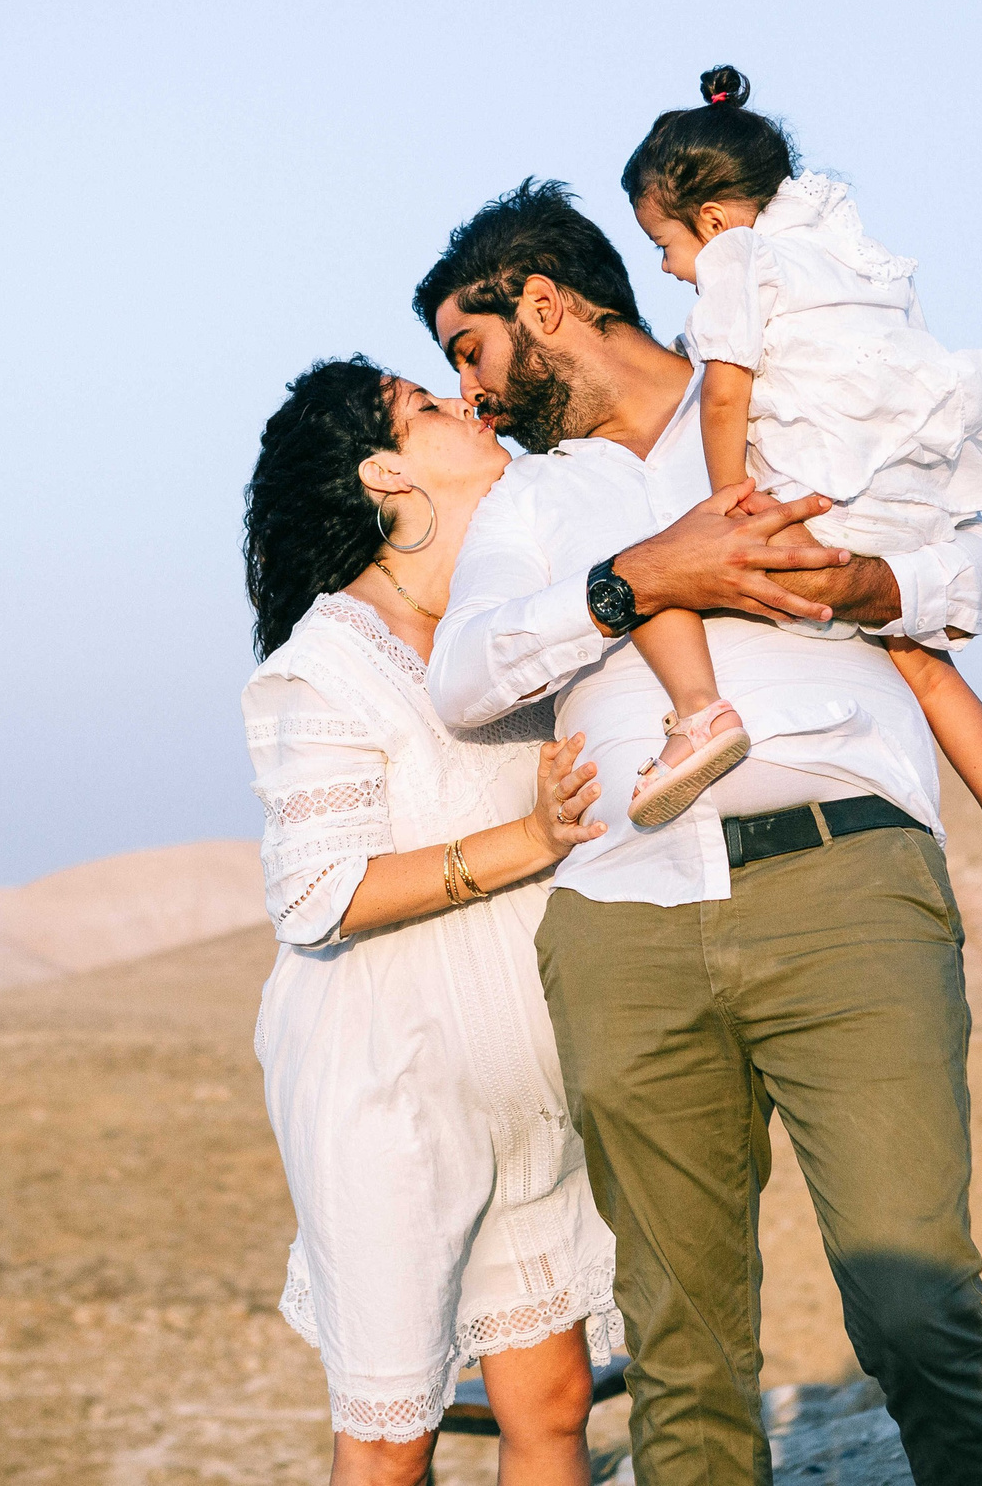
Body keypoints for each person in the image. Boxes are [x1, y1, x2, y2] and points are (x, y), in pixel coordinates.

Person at [417, 182, 982, 1486]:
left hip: (846, 883)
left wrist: (889, 583)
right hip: (625, 928)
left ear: (545, 304)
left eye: (472, 353)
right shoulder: (533, 507)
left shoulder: (785, 396)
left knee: (919, 1309)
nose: (473, 398)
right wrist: (640, 578)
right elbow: (467, 674)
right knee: (683, 1350)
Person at [240, 357, 625, 1486]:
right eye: (429, 405)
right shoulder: (326, 665)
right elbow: (319, 893)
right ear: (383, 473)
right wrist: (530, 843)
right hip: (384, 1082)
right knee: (392, 1430)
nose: (469, 405)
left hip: (529, 1074)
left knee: (552, 1402)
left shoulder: (499, 627)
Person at [612, 67, 982, 893]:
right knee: (925, 664)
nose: (673, 269)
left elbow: (724, 392)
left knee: (650, 564)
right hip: (911, 495)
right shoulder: (857, 254)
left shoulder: (737, 260)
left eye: (665, 247)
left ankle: (702, 716)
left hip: (825, 494)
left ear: (711, 221)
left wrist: (726, 500)